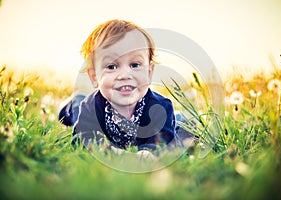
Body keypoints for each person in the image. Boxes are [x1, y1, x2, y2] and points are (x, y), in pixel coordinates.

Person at [59, 19, 188, 153]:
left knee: (182, 125)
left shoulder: (161, 107)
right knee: (75, 114)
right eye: (111, 66)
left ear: (149, 72)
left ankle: (181, 119)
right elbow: (82, 139)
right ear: (94, 77)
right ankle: (74, 101)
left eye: (135, 65)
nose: (125, 75)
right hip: (85, 107)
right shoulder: (89, 106)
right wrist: (109, 151)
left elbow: (164, 143)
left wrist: (146, 153)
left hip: (169, 120)